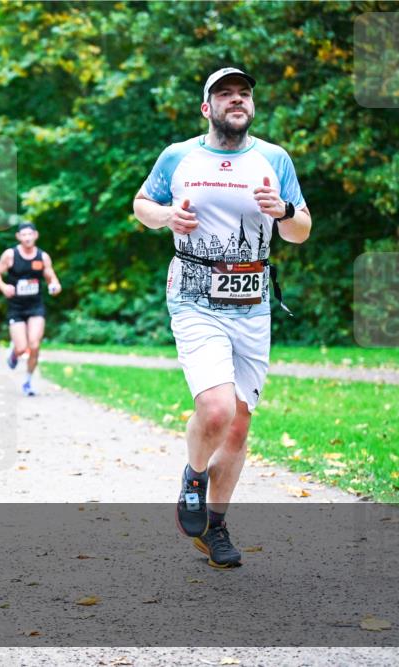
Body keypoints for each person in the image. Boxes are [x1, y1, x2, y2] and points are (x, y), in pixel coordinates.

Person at [132, 67, 311, 568]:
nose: (237, 100)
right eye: (225, 94)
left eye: (244, 93)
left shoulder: (274, 159)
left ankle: (216, 527)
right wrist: (167, 216)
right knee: (215, 409)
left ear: (251, 106)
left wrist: (283, 211)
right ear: (207, 108)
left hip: (252, 303)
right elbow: (141, 203)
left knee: (237, 426)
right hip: (193, 293)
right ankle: (193, 476)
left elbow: (301, 230)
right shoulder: (179, 156)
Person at [0, 221, 61, 396]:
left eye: (30, 234)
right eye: (24, 234)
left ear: (36, 235)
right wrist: (4, 287)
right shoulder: (10, 255)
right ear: (18, 237)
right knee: (22, 348)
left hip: (35, 306)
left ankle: (28, 381)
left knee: (34, 345)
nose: (27, 237)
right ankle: (14, 353)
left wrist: (55, 286)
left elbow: (52, 278)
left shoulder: (42, 257)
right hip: (16, 307)